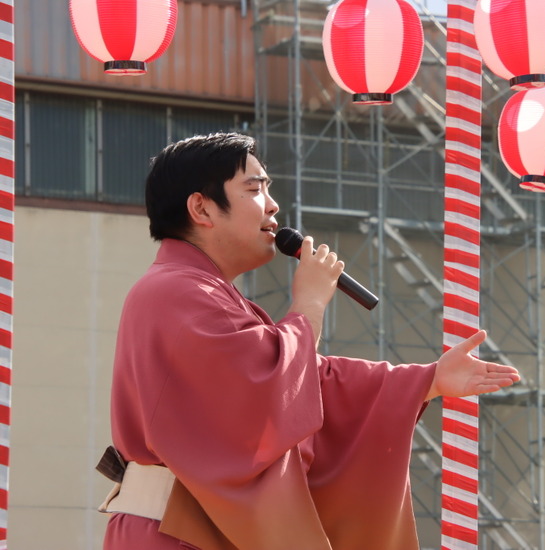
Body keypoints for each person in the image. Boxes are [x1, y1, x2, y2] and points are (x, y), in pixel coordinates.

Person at [97, 132, 520, 550]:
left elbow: (314, 382)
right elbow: (267, 393)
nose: (274, 204)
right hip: (172, 532)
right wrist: (310, 304)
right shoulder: (177, 291)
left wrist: (428, 380)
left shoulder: (198, 293)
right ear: (201, 207)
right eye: (255, 188)